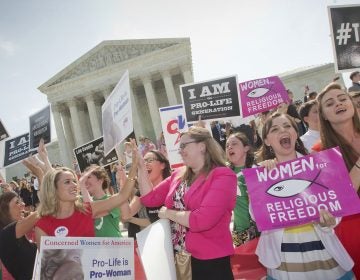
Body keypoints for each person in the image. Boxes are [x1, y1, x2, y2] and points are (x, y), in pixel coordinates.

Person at [255, 112, 354, 279]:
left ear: (295, 133)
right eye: (275, 129)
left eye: (287, 126)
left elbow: (334, 208)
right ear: (266, 141)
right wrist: (262, 182)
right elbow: (257, 216)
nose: (282, 131)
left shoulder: (319, 165)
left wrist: (329, 221)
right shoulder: (260, 174)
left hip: (323, 253)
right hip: (283, 260)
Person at [138, 126, 237, 280]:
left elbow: (202, 220)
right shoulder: (178, 174)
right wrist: (140, 167)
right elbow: (149, 199)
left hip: (209, 260)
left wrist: (167, 213)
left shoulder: (223, 175)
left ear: (202, 146)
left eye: (184, 145)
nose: (180, 150)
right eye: (180, 147)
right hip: (178, 258)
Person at [34, 140, 139, 244]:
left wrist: (134, 166)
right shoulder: (42, 225)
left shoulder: (87, 210)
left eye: (75, 181)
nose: (75, 185)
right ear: (53, 188)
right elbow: (47, 260)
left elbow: (122, 196)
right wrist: (43, 159)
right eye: (67, 182)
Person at [317, 83, 360, 278]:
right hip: (354, 231)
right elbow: (341, 199)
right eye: (330, 103)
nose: (338, 104)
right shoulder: (320, 152)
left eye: (342, 99)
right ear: (324, 115)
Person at [121, 150, 172, 227]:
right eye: (143, 161)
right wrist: (122, 181)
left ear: (162, 165)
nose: (145, 164)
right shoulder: (141, 192)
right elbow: (126, 214)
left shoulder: (173, 185)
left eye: (150, 160)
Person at [225, 132, 259, 247]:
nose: (229, 147)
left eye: (234, 143)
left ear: (246, 148)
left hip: (260, 231)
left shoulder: (257, 171)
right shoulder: (224, 173)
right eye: (227, 145)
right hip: (239, 232)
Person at [80, 165, 122, 237]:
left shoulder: (113, 200)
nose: (85, 181)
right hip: (96, 247)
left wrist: (82, 186)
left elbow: (92, 210)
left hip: (115, 246)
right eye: (83, 178)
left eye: (88, 177)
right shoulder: (82, 201)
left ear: (100, 180)